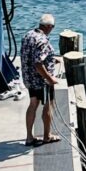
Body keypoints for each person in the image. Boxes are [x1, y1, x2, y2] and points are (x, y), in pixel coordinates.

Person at [20, 13, 60, 146]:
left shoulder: (28, 35)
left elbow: (32, 55)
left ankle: (29, 137)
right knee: (48, 105)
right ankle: (47, 136)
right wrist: (50, 79)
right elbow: (38, 63)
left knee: (32, 105)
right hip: (41, 81)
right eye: (52, 27)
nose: (52, 30)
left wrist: (51, 59)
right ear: (48, 26)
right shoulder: (43, 40)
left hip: (28, 78)